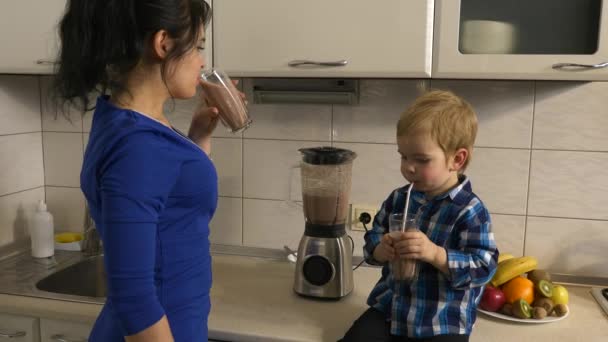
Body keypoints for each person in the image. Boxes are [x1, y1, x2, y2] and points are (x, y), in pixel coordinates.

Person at [51, 1, 232, 341]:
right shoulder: (138, 146)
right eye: (198, 47)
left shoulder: (128, 122)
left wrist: (199, 138)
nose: (203, 61)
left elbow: (172, 201)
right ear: (163, 43)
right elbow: (133, 297)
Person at [341, 90, 499, 342]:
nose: (408, 167)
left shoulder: (470, 210)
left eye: (421, 160)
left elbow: (484, 267)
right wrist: (381, 249)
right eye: (403, 156)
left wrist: (436, 254)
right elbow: (373, 240)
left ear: (457, 160)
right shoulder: (399, 199)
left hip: (441, 321)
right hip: (390, 310)